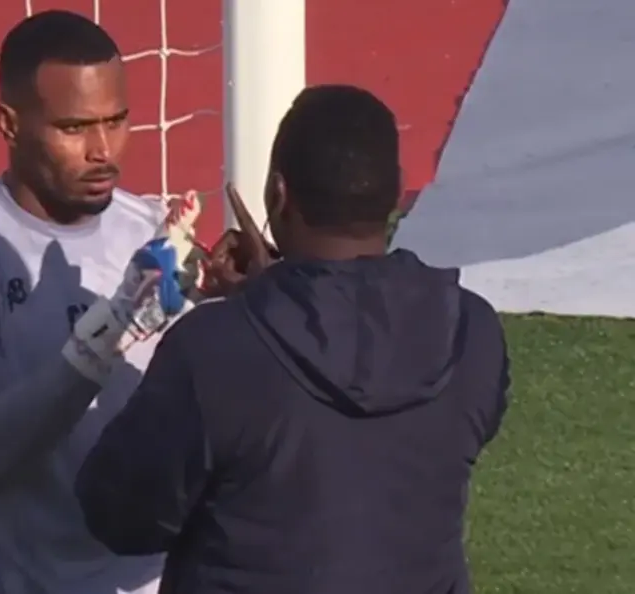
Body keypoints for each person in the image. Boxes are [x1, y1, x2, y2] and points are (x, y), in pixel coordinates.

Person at [74, 84, 511, 594]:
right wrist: (273, 295)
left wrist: (263, 304)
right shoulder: (472, 332)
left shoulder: (214, 350)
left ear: (277, 195)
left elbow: (120, 517)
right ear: (397, 192)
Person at [0, 10, 204, 594]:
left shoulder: (152, 237)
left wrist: (251, 303)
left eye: (117, 121)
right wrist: (109, 332)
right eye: (74, 127)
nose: (103, 150)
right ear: (9, 125)